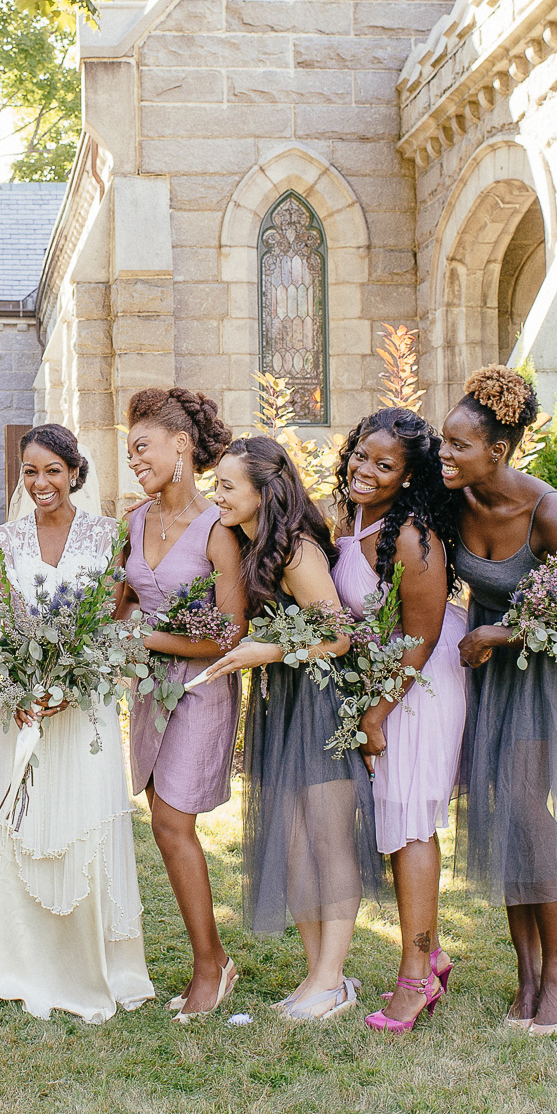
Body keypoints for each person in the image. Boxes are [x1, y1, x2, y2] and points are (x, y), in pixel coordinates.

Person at [0, 423, 154, 1023]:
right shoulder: (3, 539)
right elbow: (10, 621)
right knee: (22, 819)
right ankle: (17, 959)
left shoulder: (108, 536)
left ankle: (91, 963)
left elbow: (115, 614)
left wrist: (76, 677)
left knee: (83, 816)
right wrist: (24, 686)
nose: (41, 482)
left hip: (87, 704)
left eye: (53, 470)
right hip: (23, 706)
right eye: (30, 471)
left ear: (75, 472)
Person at [442, 366, 557, 1036]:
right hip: (483, 675)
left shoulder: (546, 510)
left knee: (521, 803)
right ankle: (527, 972)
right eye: (444, 442)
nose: (445, 455)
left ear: (498, 451)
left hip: (539, 671)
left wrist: (499, 630)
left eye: (458, 445)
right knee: (499, 808)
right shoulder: (453, 499)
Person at [203, 435, 378, 1021]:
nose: (217, 495)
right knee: (295, 840)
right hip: (281, 701)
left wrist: (269, 652)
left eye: (228, 486)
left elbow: (338, 636)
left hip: (319, 703)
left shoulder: (299, 552)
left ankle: (333, 981)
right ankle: (316, 977)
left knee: (328, 840)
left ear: (264, 490)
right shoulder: (246, 540)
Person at [329, 407, 469, 1034]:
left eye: (385, 466)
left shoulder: (412, 536)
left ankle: (414, 978)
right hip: (383, 676)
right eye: (361, 454)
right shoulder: (353, 517)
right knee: (398, 815)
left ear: (409, 478)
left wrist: (379, 711)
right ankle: (430, 952)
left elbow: (423, 635)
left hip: (418, 684)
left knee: (411, 822)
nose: (366, 469)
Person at [113, 386, 247, 1023]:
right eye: (129, 450)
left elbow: (231, 631)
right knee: (162, 819)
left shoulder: (219, 529)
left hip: (199, 688)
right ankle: (208, 956)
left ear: (182, 446)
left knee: (173, 823)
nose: (134, 459)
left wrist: (144, 636)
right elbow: (115, 605)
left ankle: (210, 963)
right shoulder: (134, 522)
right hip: (146, 690)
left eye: (143, 447)